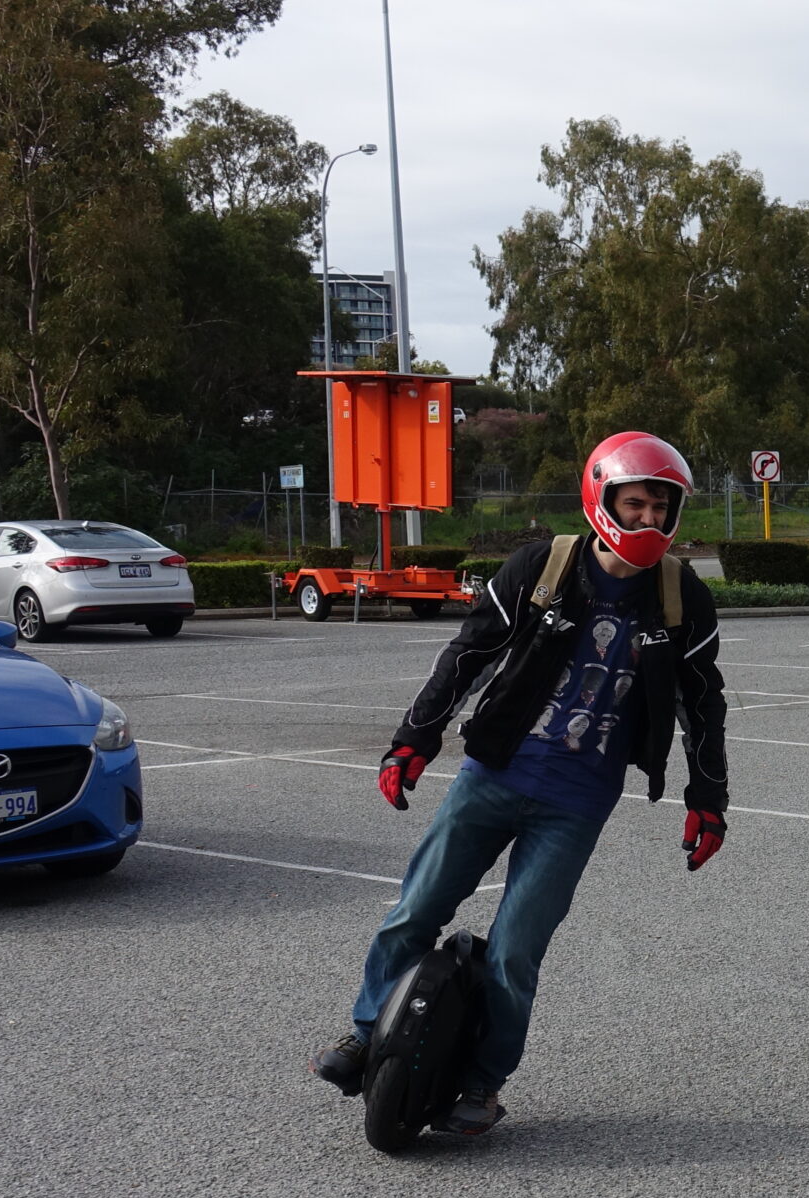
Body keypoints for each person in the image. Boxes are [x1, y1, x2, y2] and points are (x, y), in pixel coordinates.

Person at [310, 432, 731, 1135]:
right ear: (601, 501)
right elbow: (469, 652)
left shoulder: (680, 597)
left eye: (663, 507)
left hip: (577, 803)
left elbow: (703, 703)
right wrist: (413, 740)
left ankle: (483, 1081)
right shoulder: (545, 566)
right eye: (636, 505)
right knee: (415, 911)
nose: (651, 521)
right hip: (493, 775)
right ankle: (363, 1031)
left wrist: (708, 801)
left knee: (515, 949)